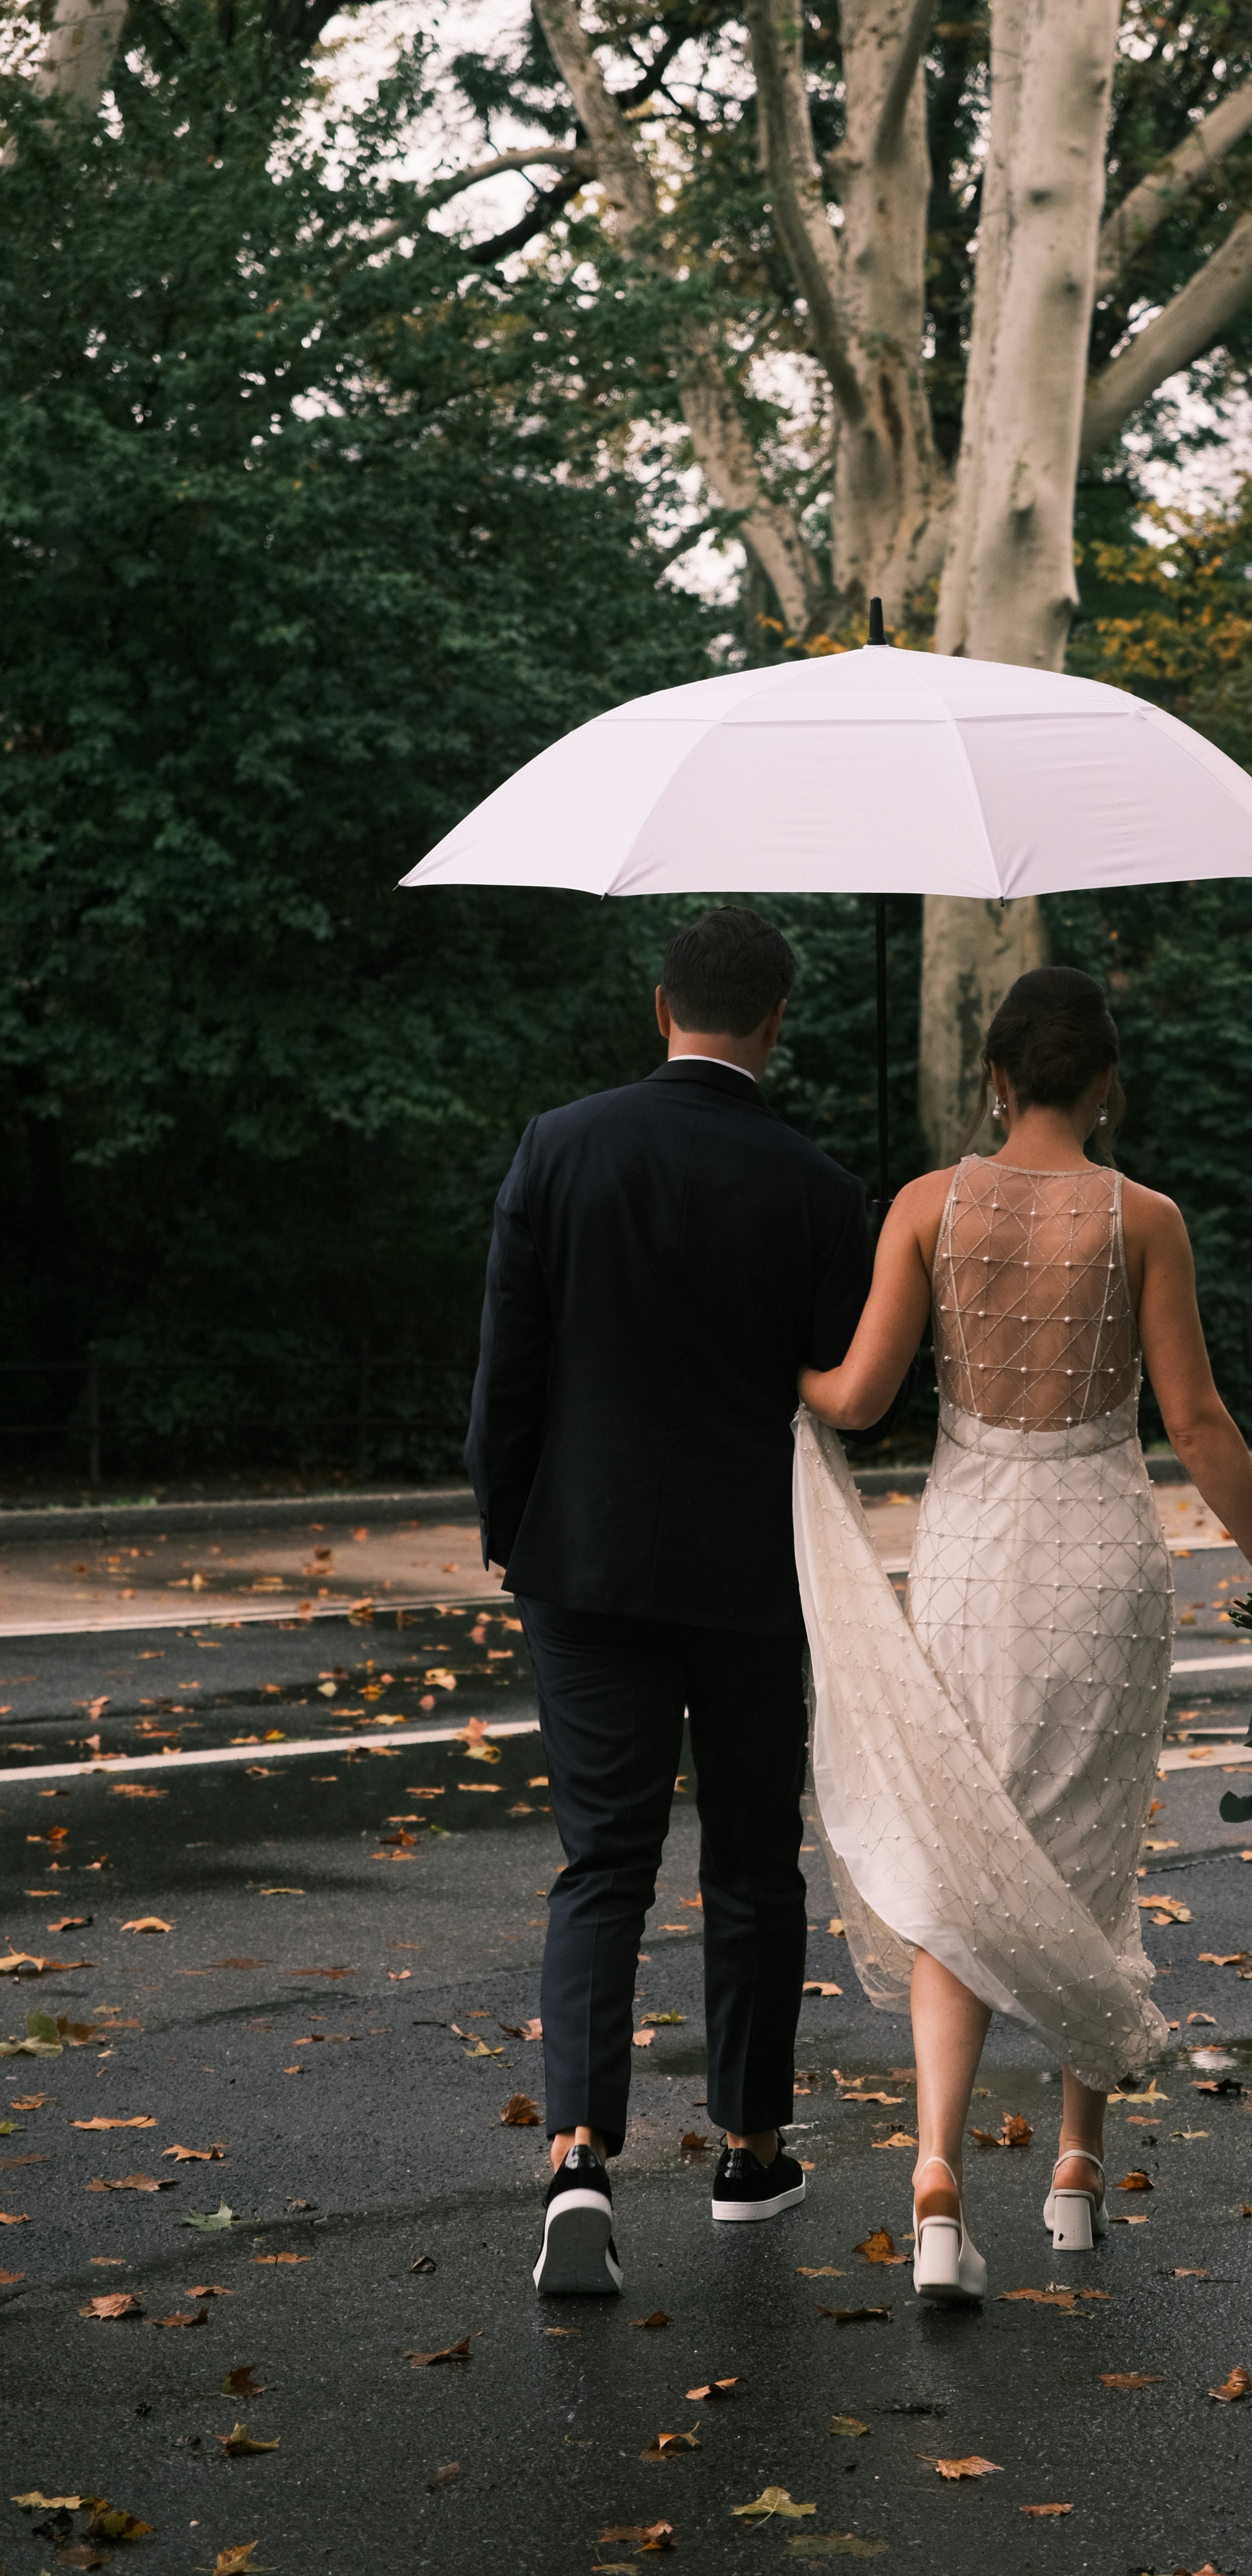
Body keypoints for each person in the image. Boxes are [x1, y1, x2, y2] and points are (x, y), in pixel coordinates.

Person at [794, 964, 1252, 2298]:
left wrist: (764, 1366)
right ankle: (1079, 2173)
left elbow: (856, 1398)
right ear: (1105, 1085)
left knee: (959, 1851)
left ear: (994, 1079)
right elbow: (1196, 1425)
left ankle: (933, 2186)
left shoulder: (929, 1206)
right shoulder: (1145, 1218)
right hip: (1099, 1557)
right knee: (1093, 1847)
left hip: (972, 1554)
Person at [466, 905, 875, 2297]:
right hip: (755, 1571)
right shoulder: (819, 1187)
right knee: (754, 1862)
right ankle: (750, 2151)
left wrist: (506, 1519)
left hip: (583, 1557)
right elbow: (846, 1395)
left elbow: (508, 1366)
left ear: (662, 1008)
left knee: (605, 1863)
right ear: (774, 1024)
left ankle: (580, 2150)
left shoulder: (560, 1146)